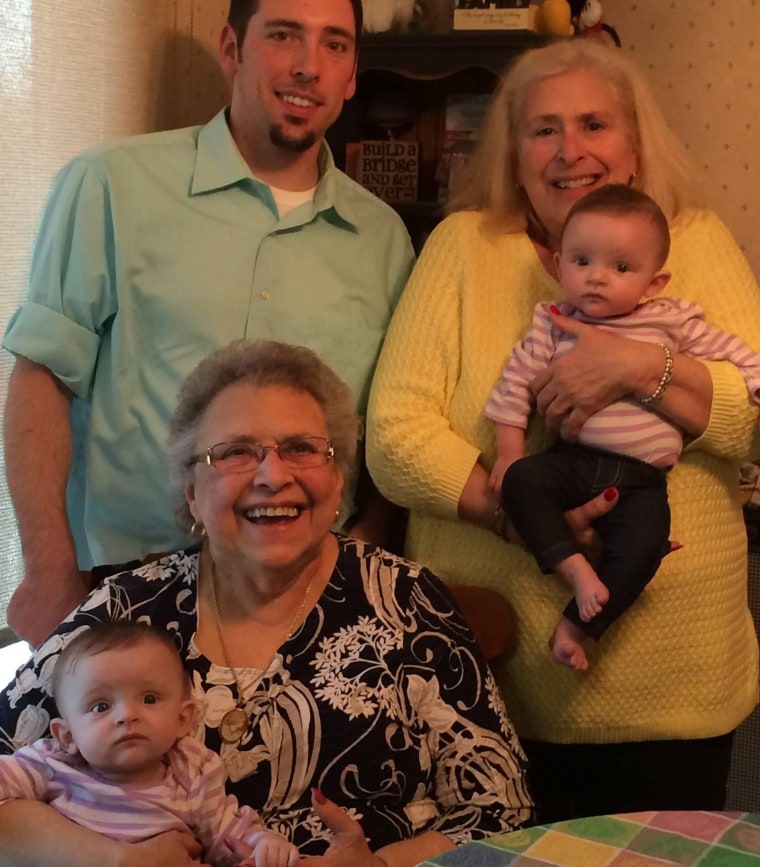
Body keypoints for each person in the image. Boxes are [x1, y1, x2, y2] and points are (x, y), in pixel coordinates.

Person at [366, 37, 760, 822]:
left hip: (675, 677)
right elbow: (395, 436)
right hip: (487, 676)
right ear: (514, 153)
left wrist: (636, 368)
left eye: (594, 124)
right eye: (543, 129)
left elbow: (751, 416)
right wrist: (519, 512)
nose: (569, 150)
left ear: (636, 145)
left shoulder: (696, 240)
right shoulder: (463, 247)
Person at [2, 0, 415, 647]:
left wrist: (363, 563)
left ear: (350, 75)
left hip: (306, 602)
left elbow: (386, 433)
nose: (308, 65)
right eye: (283, 35)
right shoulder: (111, 185)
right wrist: (47, 568)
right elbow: (42, 378)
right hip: (123, 589)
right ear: (232, 48)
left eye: (333, 44)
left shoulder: (383, 240)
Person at [0, 339, 532, 867]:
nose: (274, 476)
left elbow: (500, 810)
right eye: (234, 452)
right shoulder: (124, 609)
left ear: (338, 476)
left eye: (302, 448)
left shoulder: (408, 601)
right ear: (191, 493)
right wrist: (111, 859)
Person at [485, 185, 760, 670]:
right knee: (521, 481)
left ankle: (577, 627)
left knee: (647, 548)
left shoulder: (669, 322)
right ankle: (573, 568)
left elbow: (733, 351)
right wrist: (508, 452)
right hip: (574, 464)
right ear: (558, 265)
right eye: (582, 261)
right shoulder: (552, 324)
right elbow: (514, 387)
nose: (597, 278)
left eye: (622, 267)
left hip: (641, 480)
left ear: (655, 283)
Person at [0, 621, 299, 867]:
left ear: (183, 718)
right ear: (67, 736)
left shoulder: (192, 772)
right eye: (101, 707)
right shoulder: (52, 763)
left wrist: (264, 846)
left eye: (149, 699)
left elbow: (229, 835)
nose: (127, 715)